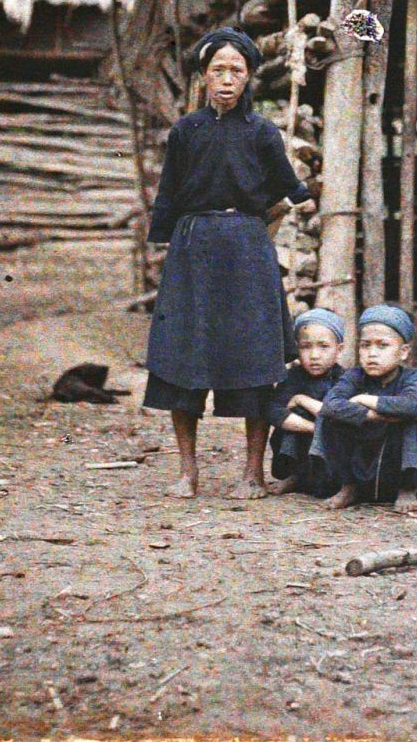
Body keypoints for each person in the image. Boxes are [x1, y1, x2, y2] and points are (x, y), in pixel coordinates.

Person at [143, 27, 317, 500]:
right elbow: (170, 192)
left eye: (235, 71)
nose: (226, 79)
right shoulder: (185, 132)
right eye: (217, 70)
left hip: (246, 248)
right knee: (185, 357)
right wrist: (167, 243)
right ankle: (187, 472)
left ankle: (252, 474)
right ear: (203, 76)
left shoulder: (261, 132)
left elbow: (287, 187)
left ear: (248, 79)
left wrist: (284, 210)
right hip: (193, 247)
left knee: (254, 359)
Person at [310, 305, 417, 511]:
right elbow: (330, 404)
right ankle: (349, 486)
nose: (372, 354)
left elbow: (412, 404)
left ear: (403, 352)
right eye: (365, 345)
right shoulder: (354, 376)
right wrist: (377, 416)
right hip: (363, 460)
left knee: (415, 419)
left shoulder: (412, 378)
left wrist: (366, 399)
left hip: (401, 463)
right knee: (331, 417)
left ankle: (407, 488)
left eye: (382, 345)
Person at [267, 307, 345, 496]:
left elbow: (337, 412)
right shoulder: (293, 377)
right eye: (305, 347)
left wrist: (302, 399)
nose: (314, 355)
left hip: (333, 445)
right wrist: (313, 427)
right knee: (293, 419)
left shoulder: (345, 379)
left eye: (323, 346)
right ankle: (294, 475)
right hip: (302, 438)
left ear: (339, 349)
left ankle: (330, 481)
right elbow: (274, 411)